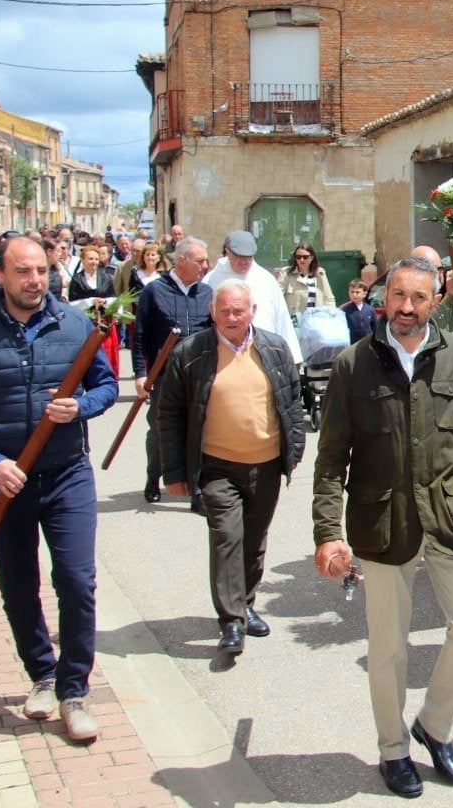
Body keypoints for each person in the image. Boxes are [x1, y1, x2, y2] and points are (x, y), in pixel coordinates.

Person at [313, 255, 453, 799]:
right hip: (384, 523)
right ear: (383, 297)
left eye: (418, 298)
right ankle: (393, 749)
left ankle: (434, 726)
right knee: (388, 648)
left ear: (436, 301)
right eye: (398, 295)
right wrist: (329, 532)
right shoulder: (355, 364)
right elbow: (330, 462)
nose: (406, 307)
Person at [0, 235, 118, 743]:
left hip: (67, 475)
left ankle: (74, 689)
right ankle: (41, 674)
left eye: (41, 269)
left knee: (78, 581)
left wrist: (81, 407)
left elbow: (105, 385)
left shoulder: (77, 326)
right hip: (5, 482)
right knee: (19, 585)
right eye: (23, 271)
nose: (34, 280)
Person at [156, 280, 305, 655]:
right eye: (224, 310)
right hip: (217, 466)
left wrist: (296, 447)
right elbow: (168, 413)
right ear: (212, 313)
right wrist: (173, 472)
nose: (232, 317)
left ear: (252, 310)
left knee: (254, 541)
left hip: (267, 464)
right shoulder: (191, 353)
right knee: (227, 537)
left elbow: (292, 401)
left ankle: (247, 604)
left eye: (239, 310)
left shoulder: (273, 348)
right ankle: (231, 621)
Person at [134, 237, 214, 508]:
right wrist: (139, 374)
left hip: (199, 374)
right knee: (160, 430)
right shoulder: (155, 291)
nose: (206, 265)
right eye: (201, 260)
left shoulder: (206, 293)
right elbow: (141, 335)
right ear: (182, 261)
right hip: (165, 374)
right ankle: (152, 476)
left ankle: (196, 488)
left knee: (198, 430)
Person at [203, 230, 302, 365]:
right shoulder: (211, 279)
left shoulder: (266, 279)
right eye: (239, 257)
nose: (244, 262)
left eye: (248, 257)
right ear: (228, 253)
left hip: (264, 353)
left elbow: (282, 318)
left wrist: (292, 358)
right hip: (222, 354)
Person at [66, 244, 120, 380]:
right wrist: (90, 301)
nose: (94, 262)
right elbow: (72, 304)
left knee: (106, 354)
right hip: (85, 323)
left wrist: (105, 302)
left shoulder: (106, 277)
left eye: (96, 259)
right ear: (83, 260)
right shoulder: (77, 280)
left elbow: (114, 298)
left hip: (104, 322)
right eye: (90, 259)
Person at [278, 242, 335, 313]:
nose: (301, 260)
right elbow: (277, 295)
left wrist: (330, 316)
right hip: (295, 320)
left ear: (311, 257)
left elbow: (329, 298)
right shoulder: (286, 274)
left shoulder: (320, 273)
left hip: (316, 319)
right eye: (298, 257)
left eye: (305, 257)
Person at [342, 279, 376, 344]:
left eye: (357, 292)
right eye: (352, 292)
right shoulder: (346, 310)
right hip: (352, 344)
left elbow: (375, 327)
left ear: (365, 294)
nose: (354, 295)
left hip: (367, 343)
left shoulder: (370, 310)